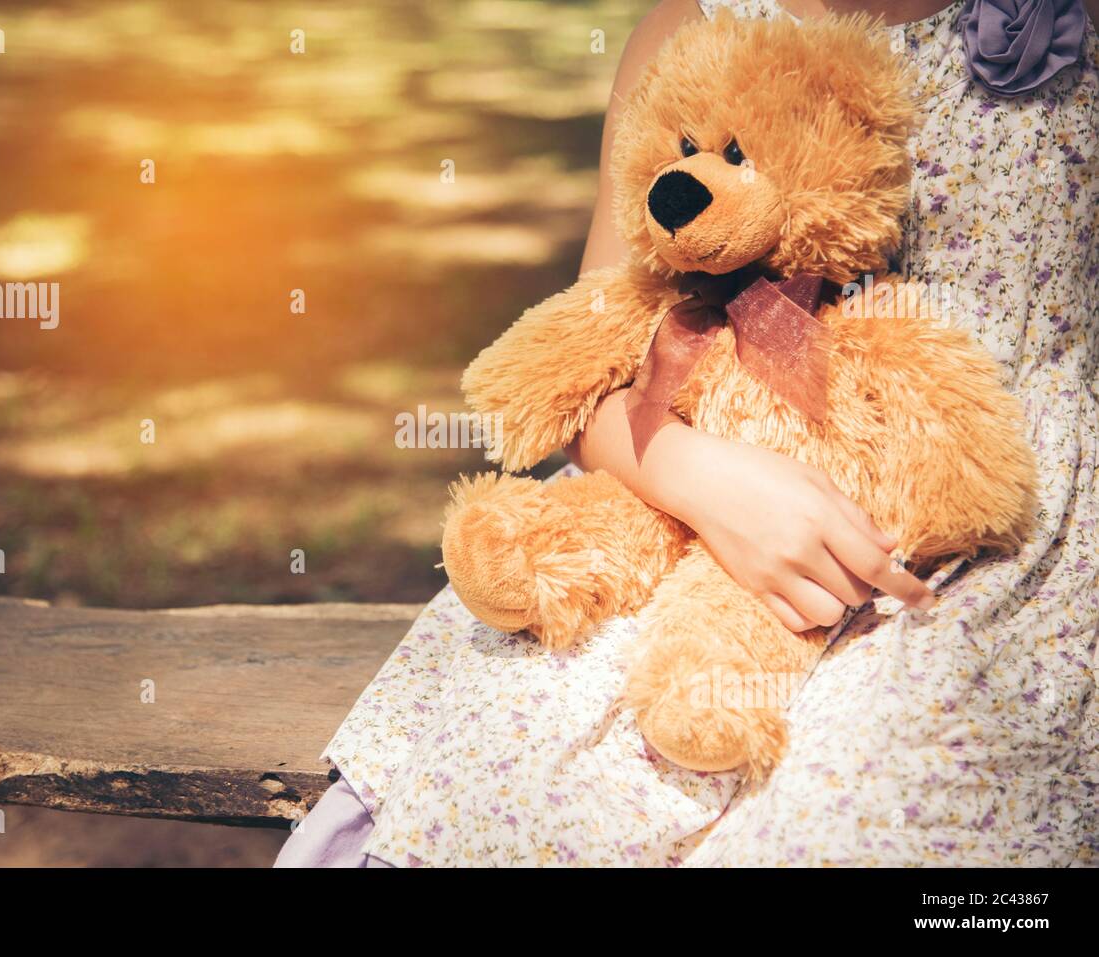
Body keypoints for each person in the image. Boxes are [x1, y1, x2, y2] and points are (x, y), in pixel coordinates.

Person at [277, 0, 1099, 867]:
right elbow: (594, 365)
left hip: (998, 550)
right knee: (525, 776)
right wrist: (706, 480)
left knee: (856, 820)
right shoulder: (690, 27)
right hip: (682, 504)